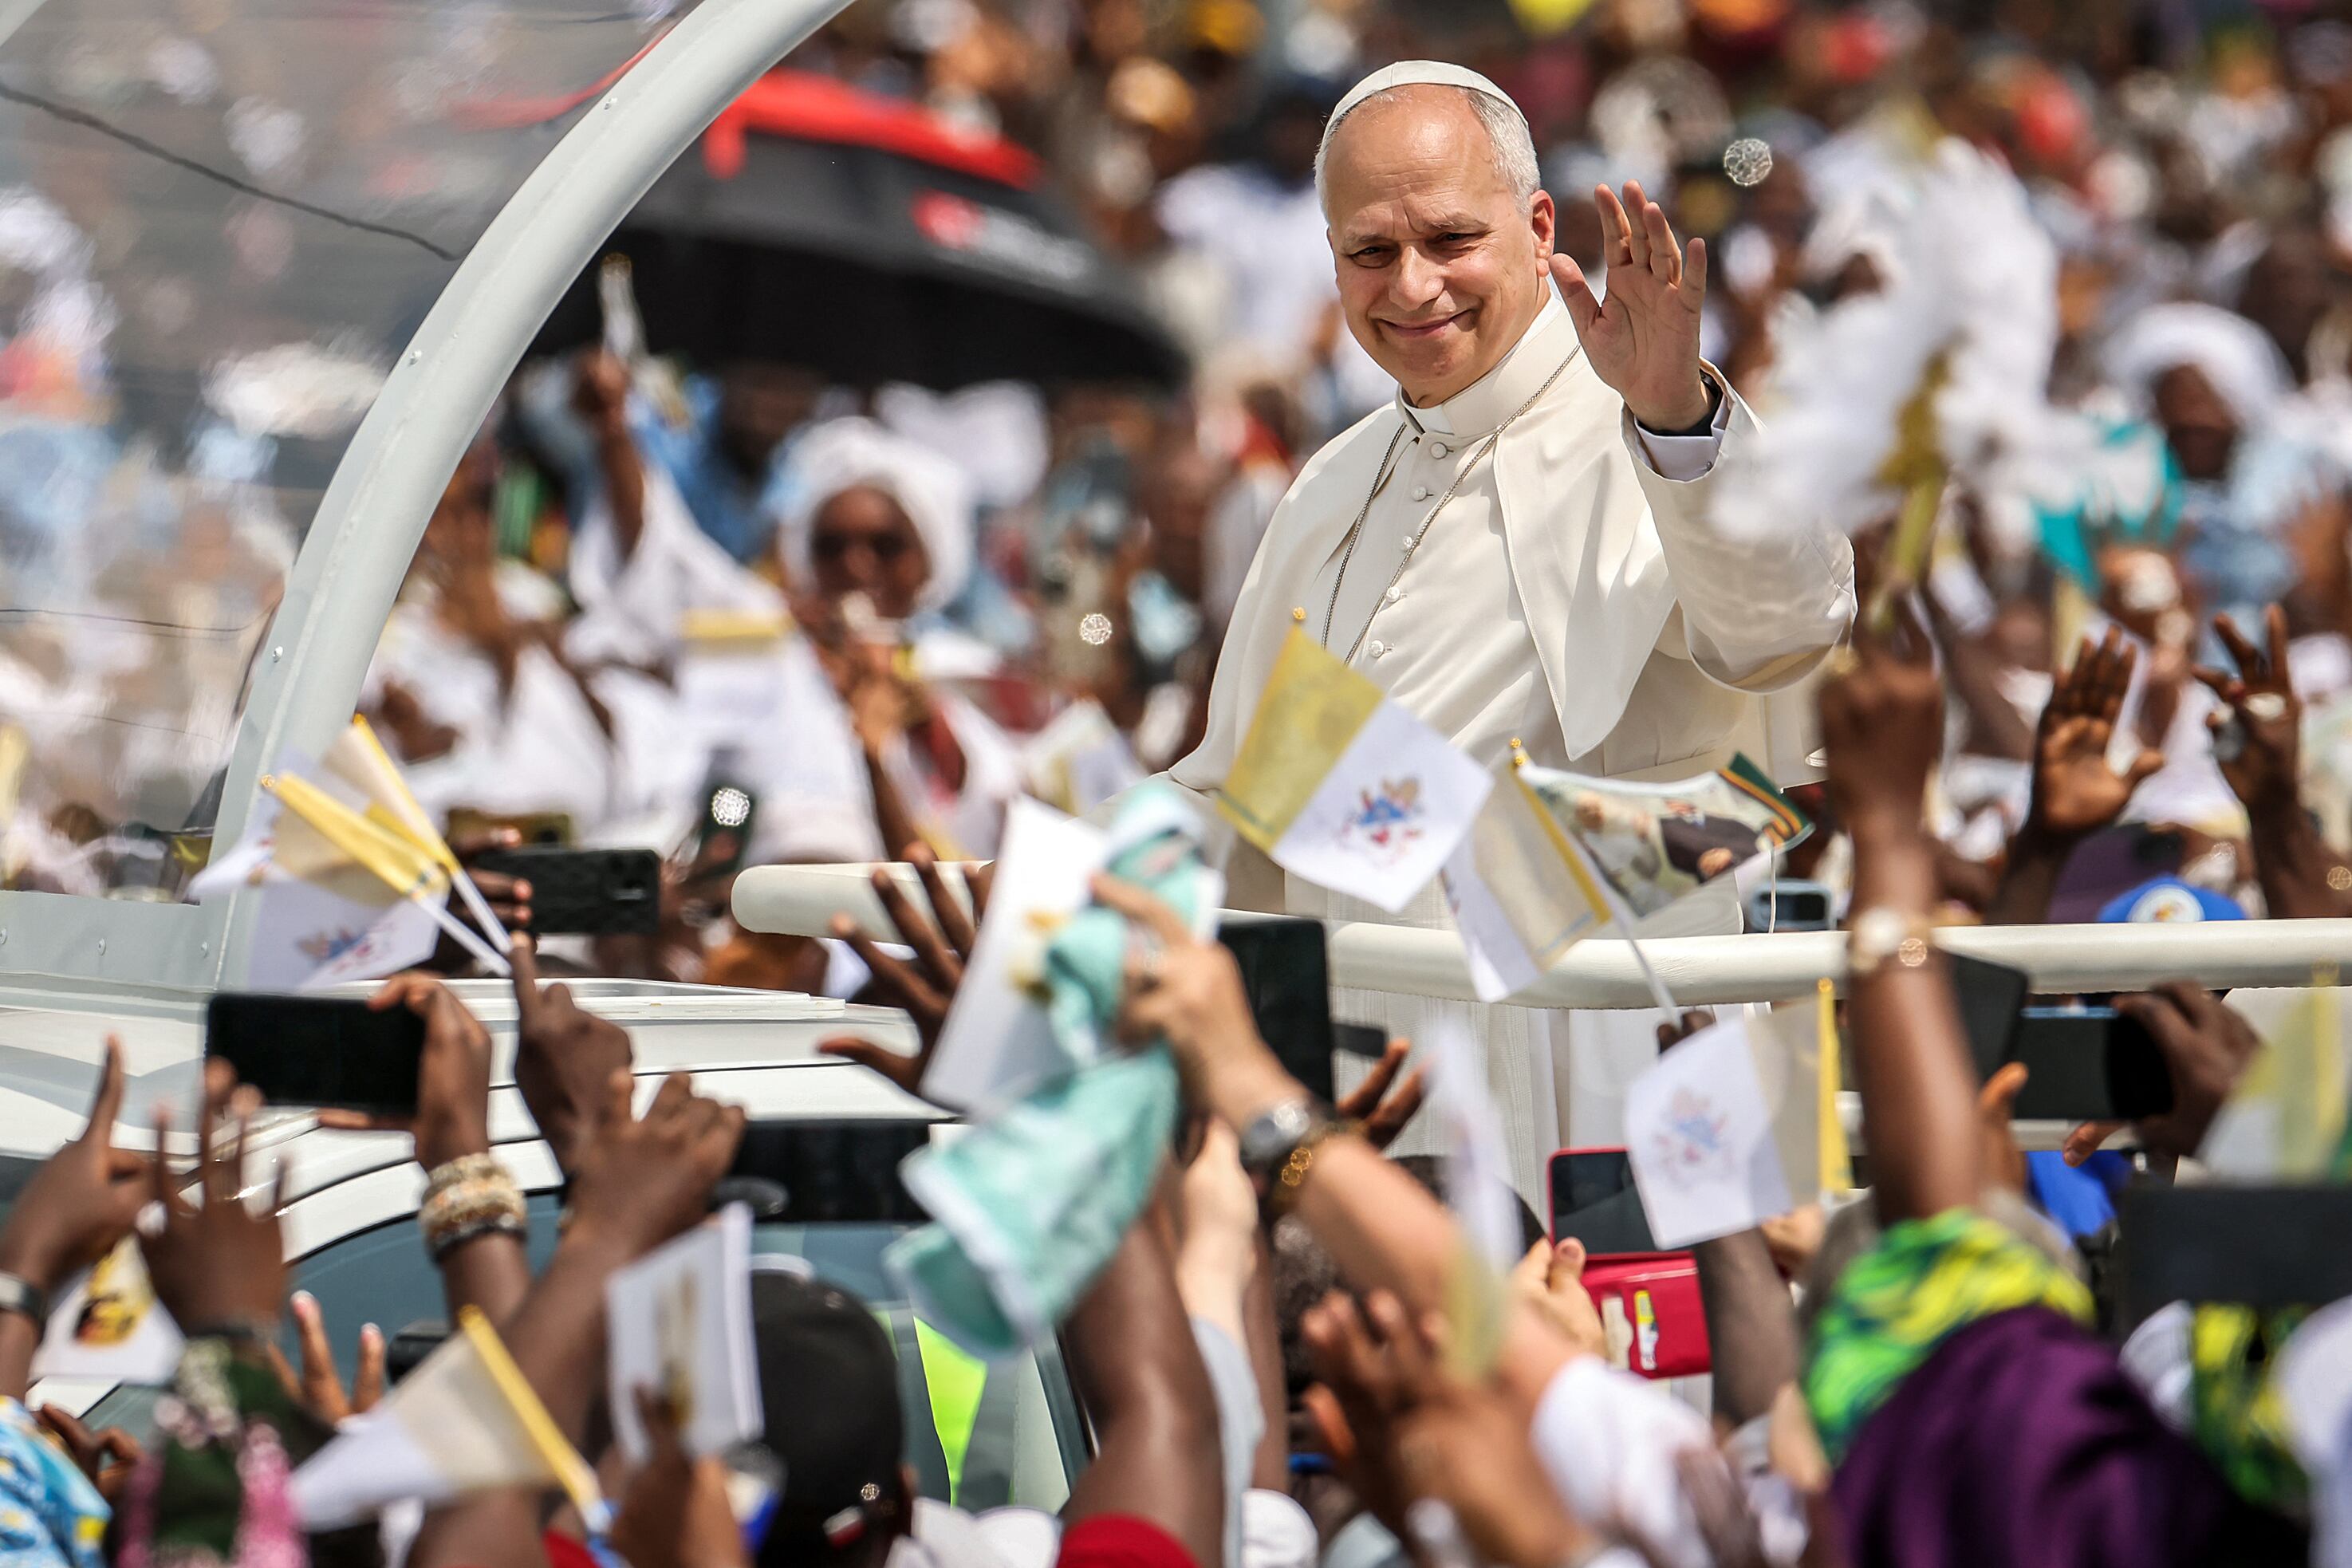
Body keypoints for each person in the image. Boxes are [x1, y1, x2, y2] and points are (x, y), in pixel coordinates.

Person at [1152, 62, 1855, 1190]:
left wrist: (1674, 416)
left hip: (1618, 1051)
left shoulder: (1645, 417)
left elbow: (1784, 628)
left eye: (1448, 239)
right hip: (1388, 1065)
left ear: (1537, 227)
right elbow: (1254, 792)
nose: (1412, 285)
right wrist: (1044, 866)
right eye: (1370, 253)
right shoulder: (1334, 482)